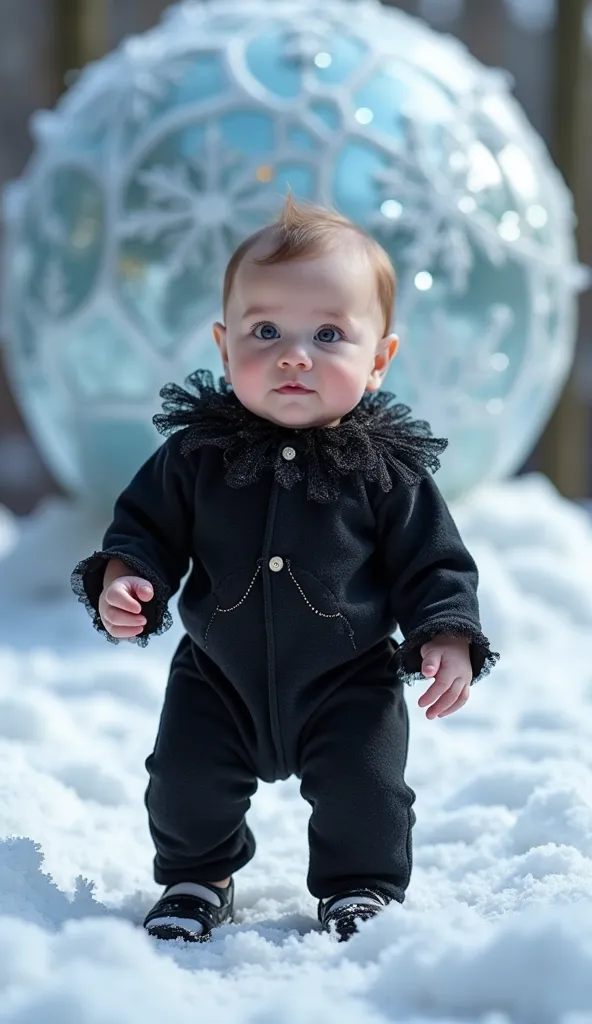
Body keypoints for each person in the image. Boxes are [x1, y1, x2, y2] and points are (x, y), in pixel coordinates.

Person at [71, 195, 498, 944]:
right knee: (183, 783)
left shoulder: (382, 469)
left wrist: (449, 631)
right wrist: (126, 575)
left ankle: (358, 886)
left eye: (328, 333)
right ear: (224, 342)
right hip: (218, 674)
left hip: (347, 680)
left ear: (378, 361)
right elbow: (145, 527)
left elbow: (434, 560)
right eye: (265, 331)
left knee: (367, 793)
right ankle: (200, 878)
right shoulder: (196, 454)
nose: (293, 355)